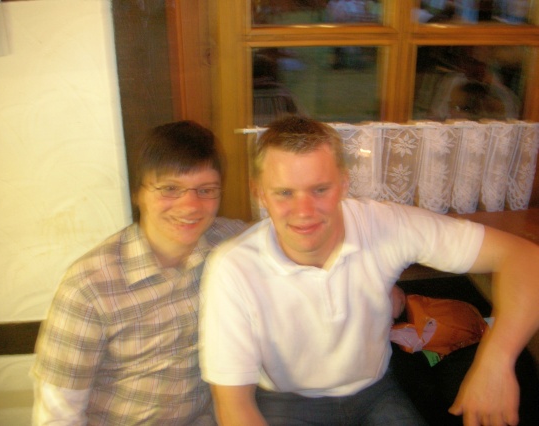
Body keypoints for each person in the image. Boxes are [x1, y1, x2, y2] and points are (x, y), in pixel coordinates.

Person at [199, 115, 539, 426]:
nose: (304, 211)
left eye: (320, 189)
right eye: (284, 193)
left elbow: (526, 257)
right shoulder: (233, 268)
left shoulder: (384, 223)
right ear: (259, 192)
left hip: (375, 390)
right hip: (287, 402)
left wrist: (496, 363)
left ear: (344, 184)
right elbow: (233, 406)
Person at [30, 121, 246, 425]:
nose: (190, 205)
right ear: (138, 193)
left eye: (206, 190)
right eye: (169, 188)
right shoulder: (89, 287)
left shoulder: (231, 245)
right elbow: (58, 414)